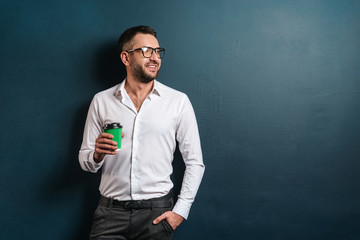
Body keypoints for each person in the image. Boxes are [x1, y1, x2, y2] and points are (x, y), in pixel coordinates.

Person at [79, 25, 205, 240]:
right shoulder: (101, 101)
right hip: (110, 214)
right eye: (146, 51)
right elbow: (85, 160)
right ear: (126, 58)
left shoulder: (178, 101)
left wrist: (180, 211)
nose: (155, 57)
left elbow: (195, 162)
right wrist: (96, 155)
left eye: (158, 51)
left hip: (156, 215)